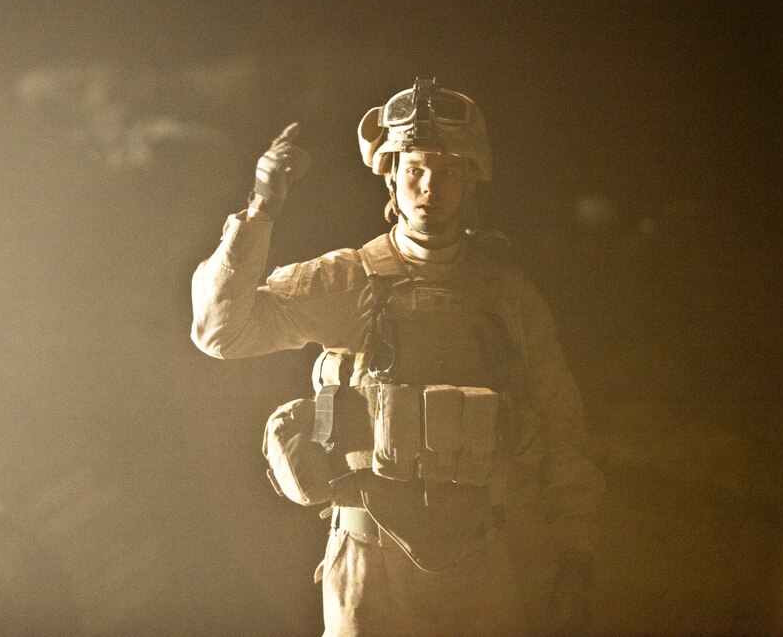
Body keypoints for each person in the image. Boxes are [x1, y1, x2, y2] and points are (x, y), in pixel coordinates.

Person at [191, 78, 605, 636]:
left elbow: (561, 424)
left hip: (485, 562)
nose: (430, 186)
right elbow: (221, 330)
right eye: (414, 169)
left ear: (469, 179)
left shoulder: (506, 295)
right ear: (391, 173)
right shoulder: (348, 279)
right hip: (372, 564)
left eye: (447, 170)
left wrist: (575, 545)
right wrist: (260, 210)